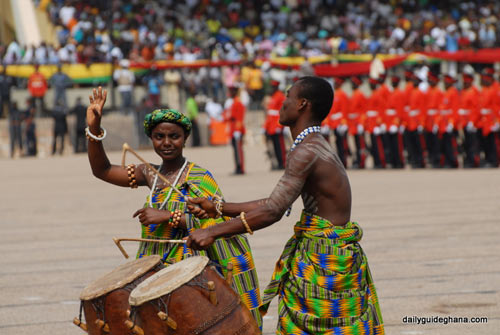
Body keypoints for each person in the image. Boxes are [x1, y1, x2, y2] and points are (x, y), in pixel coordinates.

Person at [186, 77, 384, 335]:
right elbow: (274, 201)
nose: (282, 103)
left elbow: (273, 211)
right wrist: (218, 208)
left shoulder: (306, 151)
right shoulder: (311, 145)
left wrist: (211, 231)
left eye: (288, 97)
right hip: (328, 253)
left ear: (302, 104)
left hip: (326, 260)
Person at [85, 87, 262, 328]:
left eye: (174, 136)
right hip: (155, 267)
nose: (166, 143)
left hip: (190, 272)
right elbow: (102, 170)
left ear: (185, 138)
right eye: (159, 137)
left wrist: (168, 216)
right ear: (151, 139)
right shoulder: (150, 173)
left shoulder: (198, 176)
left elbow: (216, 221)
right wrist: (94, 128)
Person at [263, 80, 286, 170]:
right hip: (271, 126)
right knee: (275, 147)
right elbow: (270, 114)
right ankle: (278, 162)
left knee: (280, 146)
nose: (272, 89)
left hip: (276, 125)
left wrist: (279, 125)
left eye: (274, 87)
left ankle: (282, 163)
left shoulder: (280, 96)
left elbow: (282, 112)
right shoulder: (273, 97)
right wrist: (265, 126)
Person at [225, 86, 246, 174]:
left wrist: (237, 129)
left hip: (237, 130)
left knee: (238, 150)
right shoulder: (234, 103)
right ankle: (237, 167)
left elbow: (239, 118)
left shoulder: (238, 103)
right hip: (233, 129)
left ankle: (240, 168)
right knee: (235, 150)